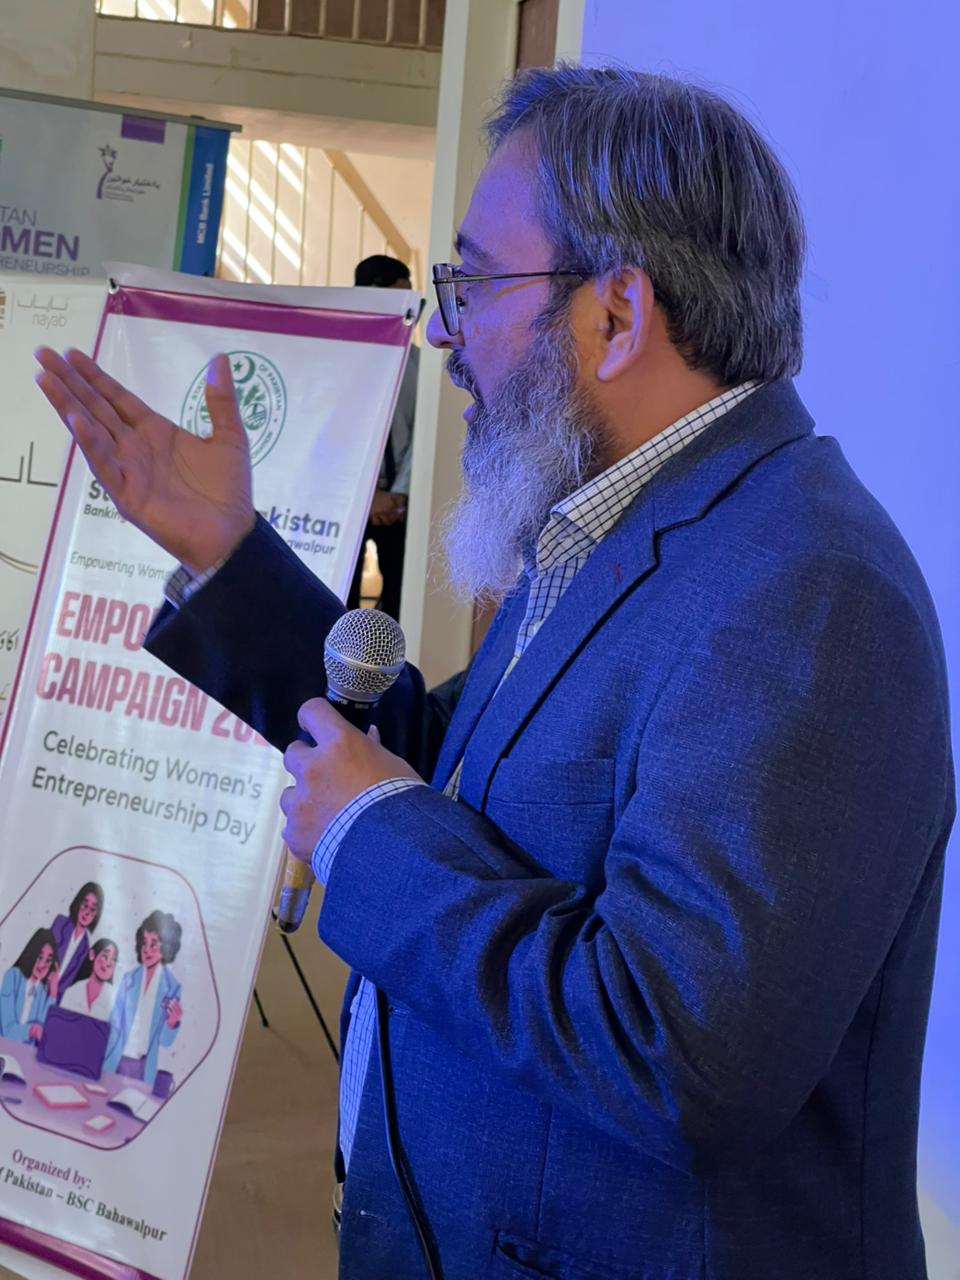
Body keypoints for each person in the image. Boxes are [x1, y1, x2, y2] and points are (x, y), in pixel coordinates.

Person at [35, 64, 953, 1280]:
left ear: (617, 316)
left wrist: (367, 832)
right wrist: (230, 556)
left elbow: (678, 1049)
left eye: (471, 284)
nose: (444, 331)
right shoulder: (615, 523)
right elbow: (460, 781)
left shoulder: (809, 589)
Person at [346, 254, 419, 620]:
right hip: (346, 503)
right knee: (336, 603)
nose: (409, 307)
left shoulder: (417, 362)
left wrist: (397, 494)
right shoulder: (338, 356)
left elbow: (422, 434)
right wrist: (366, 494)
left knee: (400, 606)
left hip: (399, 506)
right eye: (399, 296)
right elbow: (337, 434)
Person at [104, 911, 182, 1087]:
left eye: (154, 944)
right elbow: (113, 1022)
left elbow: (165, 1041)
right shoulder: (129, 979)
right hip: (116, 1058)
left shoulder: (172, 987)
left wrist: (172, 1023)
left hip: (144, 1066)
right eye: (144, 943)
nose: (147, 949)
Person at [0, 929, 59, 1043]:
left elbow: (42, 1027)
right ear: (32, 954)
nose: (42, 965)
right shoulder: (12, 976)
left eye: (48, 961)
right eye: (39, 957)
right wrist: (32, 1031)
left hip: (24, 1051)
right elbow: (7, 1030)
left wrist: (53, 995)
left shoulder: (42, 990)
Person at [49, 880, 104, 997]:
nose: (87, 912)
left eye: (93, 909)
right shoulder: (60, 923)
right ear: (78, 903)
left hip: (56, 999)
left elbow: (68, 985)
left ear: (97, 914)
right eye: (85, 905)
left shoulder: (86, 948)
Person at [59, 937, 119, 1020]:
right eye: (105, 956)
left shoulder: (116, 1000)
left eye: (113, 960)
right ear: (92, 954)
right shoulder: (71, 993)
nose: (108, 963)